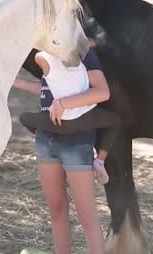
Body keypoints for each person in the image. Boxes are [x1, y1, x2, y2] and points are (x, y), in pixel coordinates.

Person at [13, 42, 118, 254]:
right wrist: (14, 82)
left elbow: (102, 92)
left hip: (76, 140)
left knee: (86, 215)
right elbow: (46, 89)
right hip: (46, 139)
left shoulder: (83, 52)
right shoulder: (50, 51)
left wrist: (64, 104)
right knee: (56, 210)